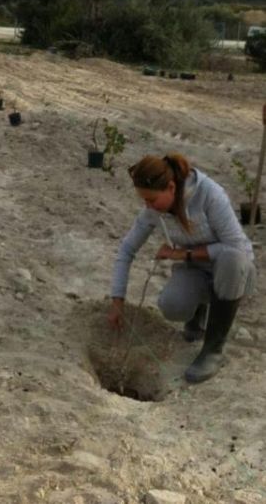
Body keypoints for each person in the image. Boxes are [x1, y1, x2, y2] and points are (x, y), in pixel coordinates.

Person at [107, 153, 256, 384]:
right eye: (144, 201)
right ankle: (198, 313)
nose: (148, 206)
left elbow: (236, 248)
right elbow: (127, 250)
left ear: (171, 187)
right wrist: (117, 301)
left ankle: (212, 349)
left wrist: (182, 254)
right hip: (197, 269)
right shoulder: (153, 210)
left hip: (234, 270)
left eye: (152, 200)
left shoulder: (210, 194)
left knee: (231, 260)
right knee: (172, 305)